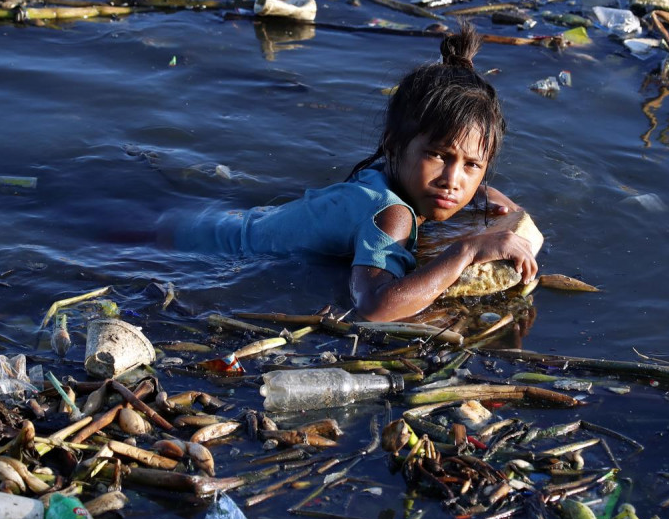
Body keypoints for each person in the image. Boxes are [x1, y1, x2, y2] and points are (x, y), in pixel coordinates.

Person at [161, 25, 538, 321]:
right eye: (439, 156)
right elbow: (374, 307)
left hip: (214, 225)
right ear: (394, 145)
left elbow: (452, 174)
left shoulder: (386, 174)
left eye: (472, 166)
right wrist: (466, 251)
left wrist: (488, 197)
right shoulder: (392, 216)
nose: (453, 180)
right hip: (203, 249)